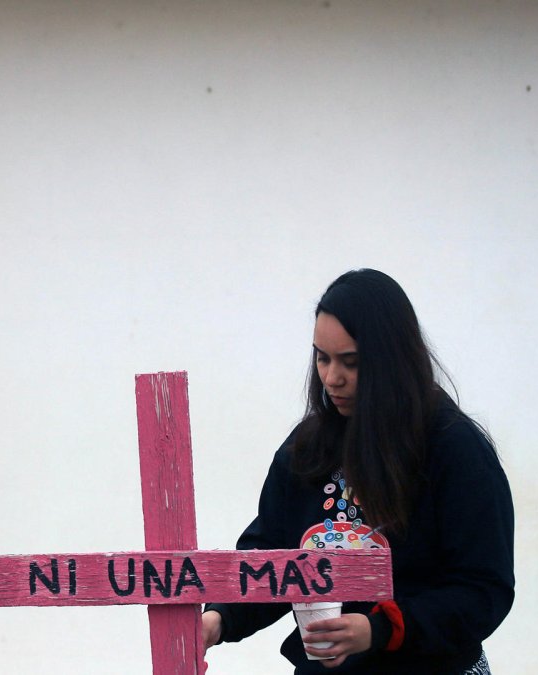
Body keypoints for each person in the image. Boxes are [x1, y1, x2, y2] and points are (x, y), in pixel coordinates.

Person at [200, 269, 514, 674]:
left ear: (394, 361)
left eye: (351, 362)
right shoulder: (306, 449)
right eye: (322, 358)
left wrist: (378, 629)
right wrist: (219, 618)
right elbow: (273, 557)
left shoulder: (456, 450)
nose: (332, 378)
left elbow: (483, 590)